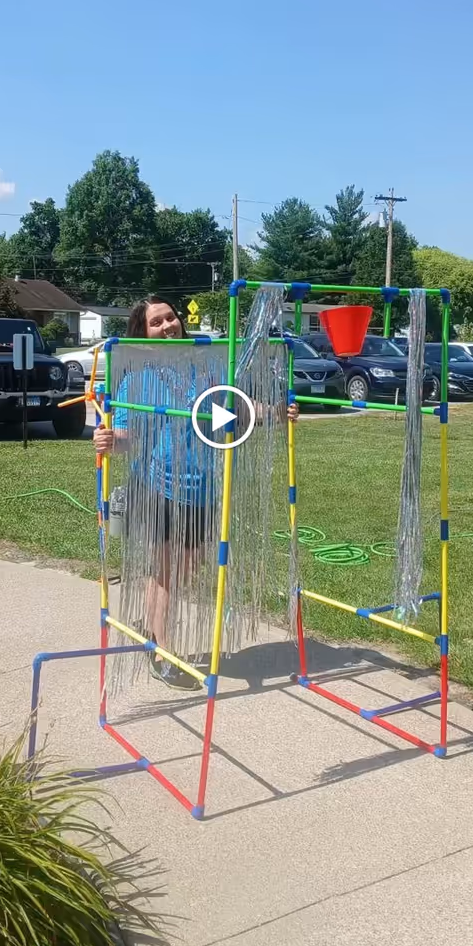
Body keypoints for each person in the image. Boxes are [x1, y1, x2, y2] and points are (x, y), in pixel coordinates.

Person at [94, 295, 295, 689]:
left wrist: (274, 413)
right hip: (158, 486)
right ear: (144, 333)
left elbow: (233, 409)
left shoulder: (206, 367)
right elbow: (129, 436)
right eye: (156, 322)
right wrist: (109, 439)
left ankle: (152, 624)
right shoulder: (139, 379)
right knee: (166, 573)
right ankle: (162, 653)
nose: (168, 325)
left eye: (170, 317)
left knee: (184, 567)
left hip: (202, 486)